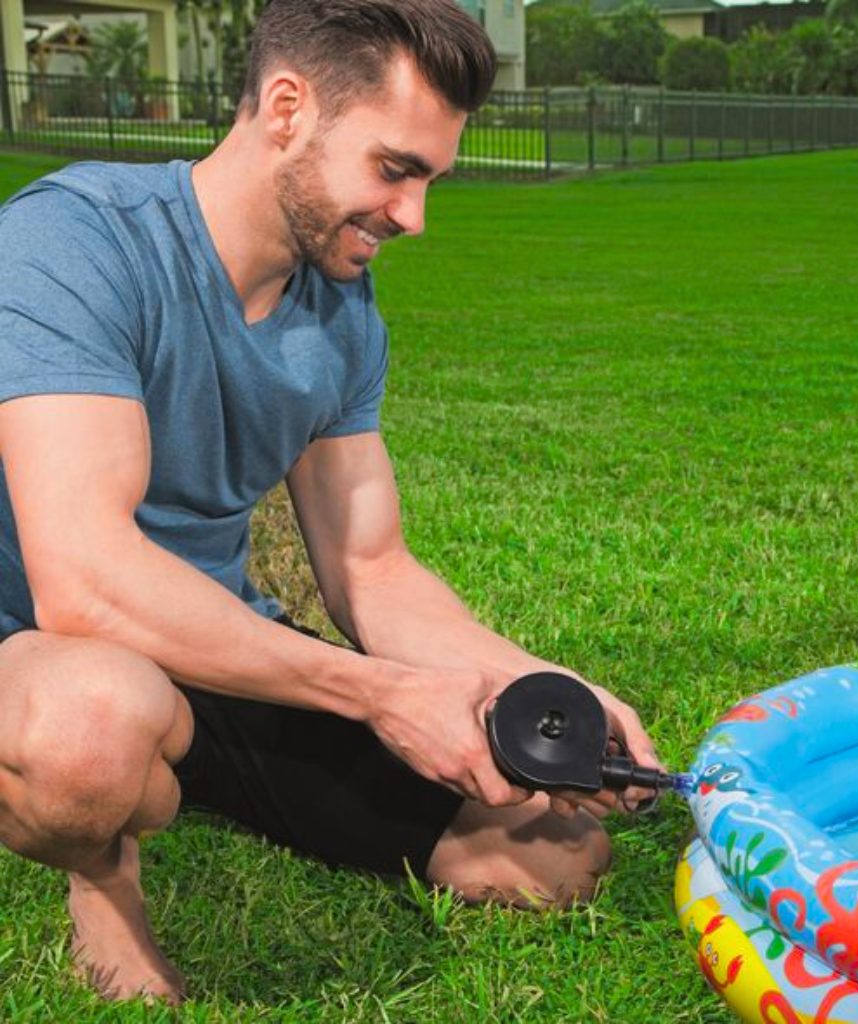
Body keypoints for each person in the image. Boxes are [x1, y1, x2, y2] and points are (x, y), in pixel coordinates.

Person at [0, 0, 662, 1005]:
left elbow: (370, 568)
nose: (413, 216)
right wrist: (381, 696)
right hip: (45, 649)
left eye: (430, 180)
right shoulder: (73, 243)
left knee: (553, 859)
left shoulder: (342, 311)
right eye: (394, 168)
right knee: (87, 736)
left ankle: (177, 765)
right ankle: (103, 871)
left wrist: (530, 681)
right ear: (286, 108)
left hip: (211, 645)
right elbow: (84, 583)